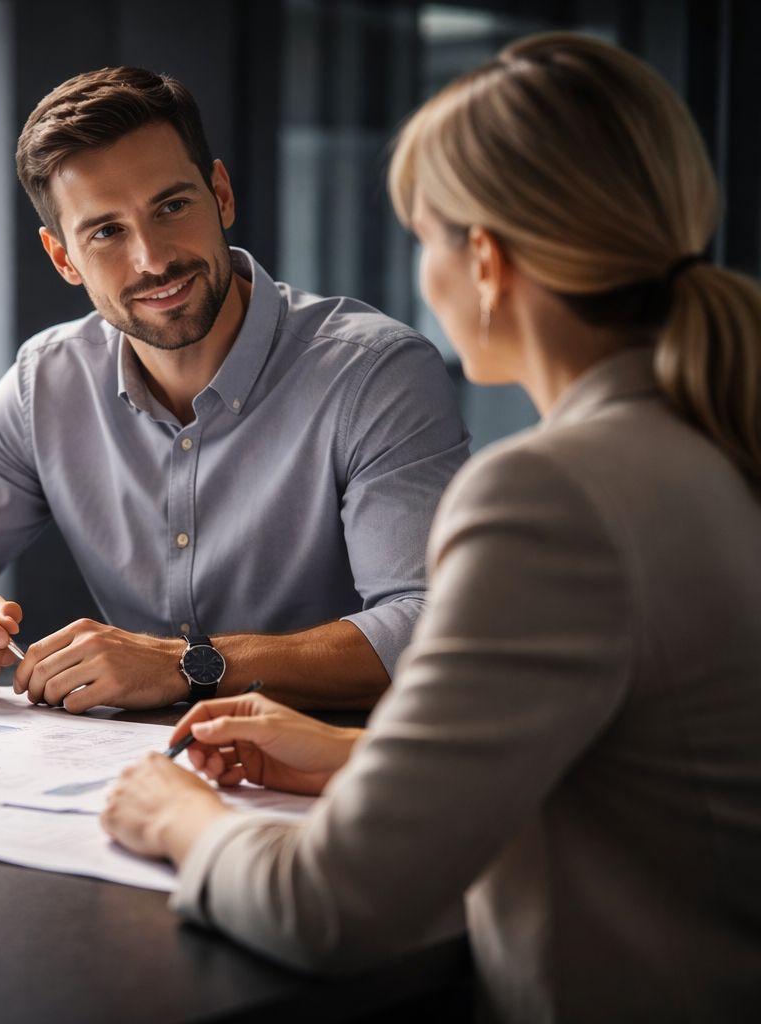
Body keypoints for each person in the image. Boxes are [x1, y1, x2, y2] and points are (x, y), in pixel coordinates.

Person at [100, 33, 761, 1022]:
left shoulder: (549, 498)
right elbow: (636, 770)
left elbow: (328, 907)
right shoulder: (708, 440)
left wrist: (180, 817)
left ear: (484, 261)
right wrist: (353, 756)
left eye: (424, 237)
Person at [0, 68, 469, 713]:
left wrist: (190, 665)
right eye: (106, 231)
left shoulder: (374, 372)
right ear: (63, 258)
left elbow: (430, 625)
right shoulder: (47, 380)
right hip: (130, 772)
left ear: (220, 194)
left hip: (337, 770)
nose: (152, 259)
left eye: (172, 206)